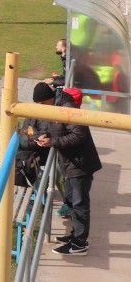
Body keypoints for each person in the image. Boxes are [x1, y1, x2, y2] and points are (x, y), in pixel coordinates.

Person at [34, 81, 102, 255]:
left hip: (80, 163)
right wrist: (46, 136)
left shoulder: (68, 107)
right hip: (71, 163)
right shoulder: (55, 106)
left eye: (41, 104)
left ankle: (80, 243)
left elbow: (79, 135)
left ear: (49, 99)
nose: (40, 108)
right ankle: (76, 236)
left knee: (79, 204)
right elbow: (59, 130)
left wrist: (53, 142)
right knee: (71, 200)